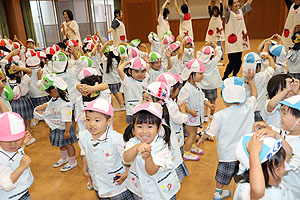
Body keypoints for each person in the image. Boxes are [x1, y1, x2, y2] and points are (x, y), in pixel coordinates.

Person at [198, 70, 257, 200]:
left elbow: (210, 132)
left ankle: (218, 193)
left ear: (224, 97)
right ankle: (243, 192)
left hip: (227, 154)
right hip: (245, 151)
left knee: (222, 175)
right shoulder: (248, 107)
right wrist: (251, 81)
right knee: (244, 174)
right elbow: (254, 96)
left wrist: (201, 138)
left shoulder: (220, 115)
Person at [77, 98, 132, 199]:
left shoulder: (117, 139)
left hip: (118, 188)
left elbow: (128, 158)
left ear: (109, 121)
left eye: (97, 120)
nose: (91, 124)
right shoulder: (84, 136)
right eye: (88, 119)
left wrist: (126, 173)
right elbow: (84, 152)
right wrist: (85, 169)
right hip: (99, 185)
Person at [123, 102, 180, 199]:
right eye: (139, 127)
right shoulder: (133, 142)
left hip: (162, 191)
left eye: (150, 127)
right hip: (140, 188)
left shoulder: (162, 145)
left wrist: (148, 157)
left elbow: (151, 171)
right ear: (133, 128)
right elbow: (126, 159)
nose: (144, 131)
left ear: (158, 128)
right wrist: (136, 147)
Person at [36, 74, 78, 172]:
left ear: (54, 90)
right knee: (61, 144)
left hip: (64, 128)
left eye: (48, 92)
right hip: (57, 127)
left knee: (68, 145)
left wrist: (67, 131)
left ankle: (72, 161)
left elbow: (67, 120)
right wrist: (41, 107)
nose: (49, 94)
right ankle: (64, 158)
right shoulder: (55, 98)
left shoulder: (65, 105)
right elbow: (49, 103)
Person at [233, 132, 294, 199]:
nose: (283, 170)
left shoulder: (273, 178)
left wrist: (276, 135)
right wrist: (254, 155)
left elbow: (290, 153)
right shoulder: (246, 191)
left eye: (282, 165)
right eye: (278, 168)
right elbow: (258, 192)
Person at [178, 58, 214, 161]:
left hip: (196, 116)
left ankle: (192, 146)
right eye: (200, 73)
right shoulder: (186, 89)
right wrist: (189, 111)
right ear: (191, 74)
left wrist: (207, 104)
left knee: (194, 132)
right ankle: (187, 152)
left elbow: (202, 97)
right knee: (192, 134)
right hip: (190, 117)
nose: (202, 76)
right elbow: (181, 103)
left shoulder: (197, 85)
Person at [0, 112, 34, 200]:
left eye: (17, 139)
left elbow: (16, 154)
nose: (13, 144)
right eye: (8, 141)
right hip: (12, 197)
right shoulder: (1, 159)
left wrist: (23, 144)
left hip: (22, 192)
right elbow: (7, 184)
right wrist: (21, 167)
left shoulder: (9, 148)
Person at [222, 0, 253, 80]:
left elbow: (248, 3)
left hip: (239, 41)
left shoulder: (241, 11)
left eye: (237, 2)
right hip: (232, 42)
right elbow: (225, 5)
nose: (236, 4)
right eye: (234, 3)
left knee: (239, 62)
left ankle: (234, 75)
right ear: (231, 5)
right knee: (232, 62)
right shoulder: (228, 13)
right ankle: (225, 76)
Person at [241, 51, 276, 122]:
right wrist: (269, 57)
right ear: (258, 67)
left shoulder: (243, 77)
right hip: (259, 108)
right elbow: (273, 67)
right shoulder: (262, 76)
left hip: (247, 107)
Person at [118, 57, 147, 124]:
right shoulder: (127, 81)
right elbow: (119, 69)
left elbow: (147, 67)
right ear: (129, 71)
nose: (140, 74)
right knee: (132, 129)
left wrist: (145, 62)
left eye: (142, 71)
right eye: (136, 71)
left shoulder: (145, 79)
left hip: (143, 110)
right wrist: (127, 62)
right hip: (132, 112)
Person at [198, 42, 222, 122]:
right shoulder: (214, 62)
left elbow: (198, 53)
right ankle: (212, 115)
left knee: (204, 101)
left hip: (202, 86)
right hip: (212, 86)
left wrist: (204, 45)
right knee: (212, 101)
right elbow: (219, 53)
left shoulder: (200, 61)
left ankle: (205, 116)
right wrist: (215, 45)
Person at [100, 40, 124, 111]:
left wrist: (106, 43)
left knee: (109, 95)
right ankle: (121, 105)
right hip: (115, 80)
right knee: (116, 94)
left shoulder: (105, 60)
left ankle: (112, 107)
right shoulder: (116, 60)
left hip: (107, 81)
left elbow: (100, 51)